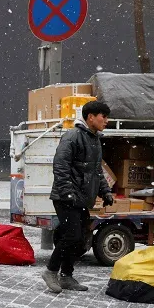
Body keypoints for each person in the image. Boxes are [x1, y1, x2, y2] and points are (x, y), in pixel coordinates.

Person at [42, 101, 115, 294]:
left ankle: (67, 276)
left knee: (81, 238)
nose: (106, 121)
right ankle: (51, 271)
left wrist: (105, 191)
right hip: (66, 197)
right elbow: (60, 165)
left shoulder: (95, 139)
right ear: (90, 117)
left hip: (82, 198)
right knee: (71, 236)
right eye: (103, 117)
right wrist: (68, 193)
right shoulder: (73, 136)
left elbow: (96, 171)